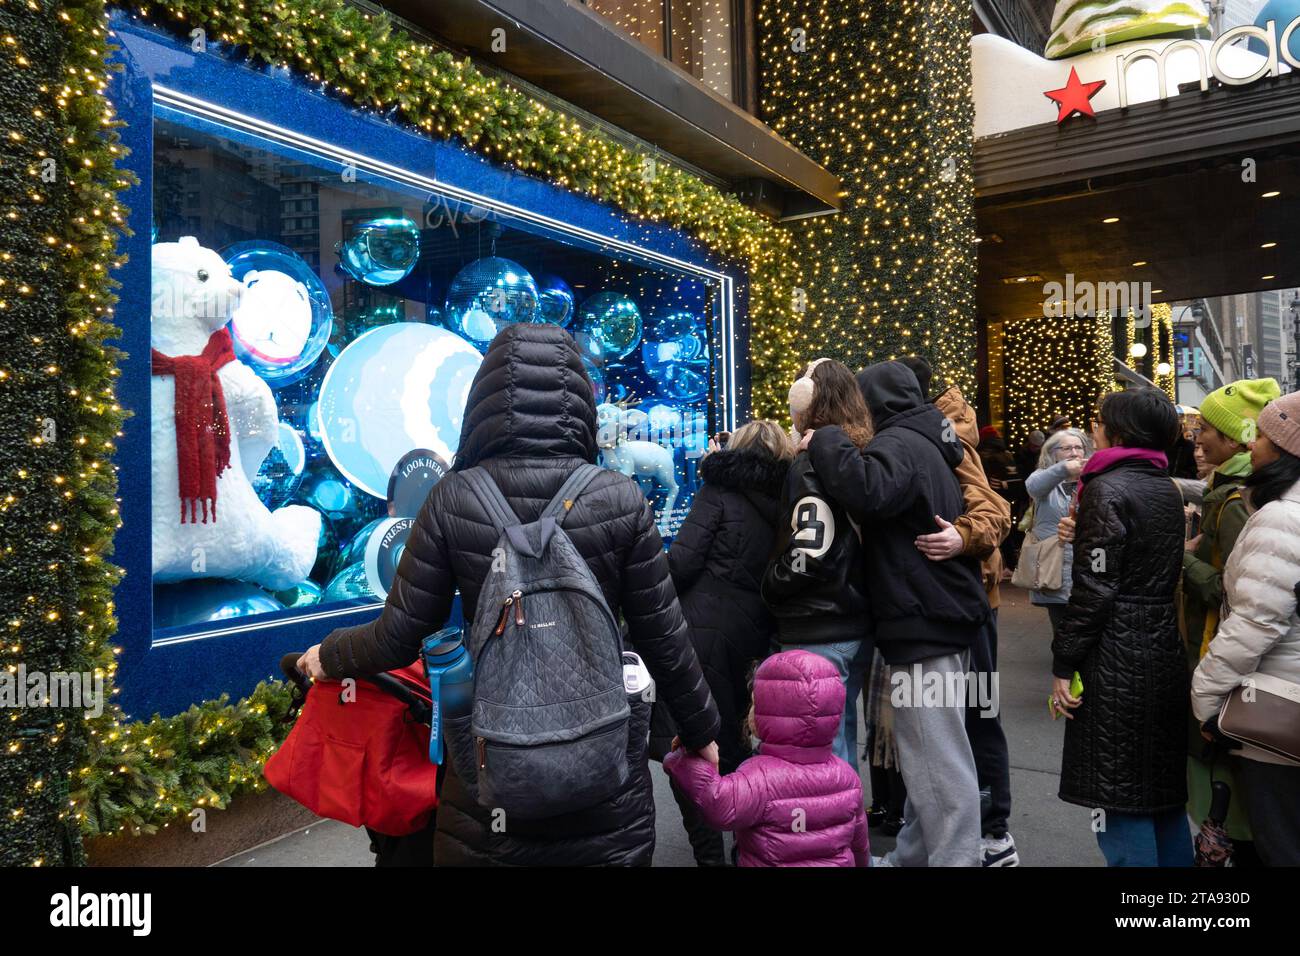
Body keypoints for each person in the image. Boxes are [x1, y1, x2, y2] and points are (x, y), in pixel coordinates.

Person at [296, 323, 720, 867]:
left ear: (484, 400)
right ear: (581, 401)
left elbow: (399, 637)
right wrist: (701, 731)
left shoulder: (453, 498)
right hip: (605, 779)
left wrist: (328, 656)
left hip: (492, 774)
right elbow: (665, 637)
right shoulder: (620, 498)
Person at [804, 360, 989, 867]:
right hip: (935, 619)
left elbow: (867, 488)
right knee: (927, 754)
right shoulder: (926, 442)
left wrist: (824, 436)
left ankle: (956, 860)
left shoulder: (901, 444)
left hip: (925, 622)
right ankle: (913, 857)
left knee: (936, 758)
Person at [1050, 387, 1190, 867]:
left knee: (1120, 795)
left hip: (1116, 654)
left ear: (1117, 430)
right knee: (1161, 794)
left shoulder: (1107, 488)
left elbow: (1096, 587)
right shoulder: (1163, 485)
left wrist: (1064, 661)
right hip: (1162, 644)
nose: (1093, 427)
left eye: (1098, 419)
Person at [658, 419, 792, 866]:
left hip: (699, 631)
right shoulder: (787, 501)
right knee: (734, 743)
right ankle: (746, 847)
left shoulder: (717, 491)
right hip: (752, 633)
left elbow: (682, 561)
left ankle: (710, 856)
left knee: (694, 743)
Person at [901, 355, 1017, 866]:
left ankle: (993, 833)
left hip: (973, 606)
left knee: (977, 713)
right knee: (946, 725)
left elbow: (994, 510)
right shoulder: (928, 431)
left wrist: (962, 535)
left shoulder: (946, 435)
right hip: (944, 604)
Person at [1192, 391, 1300, 866]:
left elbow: (1255, 623)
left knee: (1280, 845)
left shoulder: (1279, 517)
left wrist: (1207, 700)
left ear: (1286, 451)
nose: (1250, 444)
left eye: (1262, 436)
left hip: (1277, 715)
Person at [664, 650, 870, 867]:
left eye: (755, 704)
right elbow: (859, 846)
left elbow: (716, 801)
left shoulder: (759, 778)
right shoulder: (848, 778)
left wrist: (683, 759)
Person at [762, 359, 871, 767]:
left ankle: (833, 829)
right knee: (841, 733)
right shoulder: (856, 450)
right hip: (855, 620)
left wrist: (773, 584)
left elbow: (812, 545)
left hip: (818, 623)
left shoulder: (811, 461)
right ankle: (848, 825)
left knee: (821, 748)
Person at [1025, 428, 1091, 639]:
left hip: (1087, 564)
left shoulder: (1093, 479)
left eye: (1078, 447)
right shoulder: (1043, 477)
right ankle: (1065, 668)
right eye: (1067, 448)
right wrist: (1063, 469)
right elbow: (1033, 487)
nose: (1074, 453)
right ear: (1053, 453)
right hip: (1054, 567)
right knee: (1063, 630)